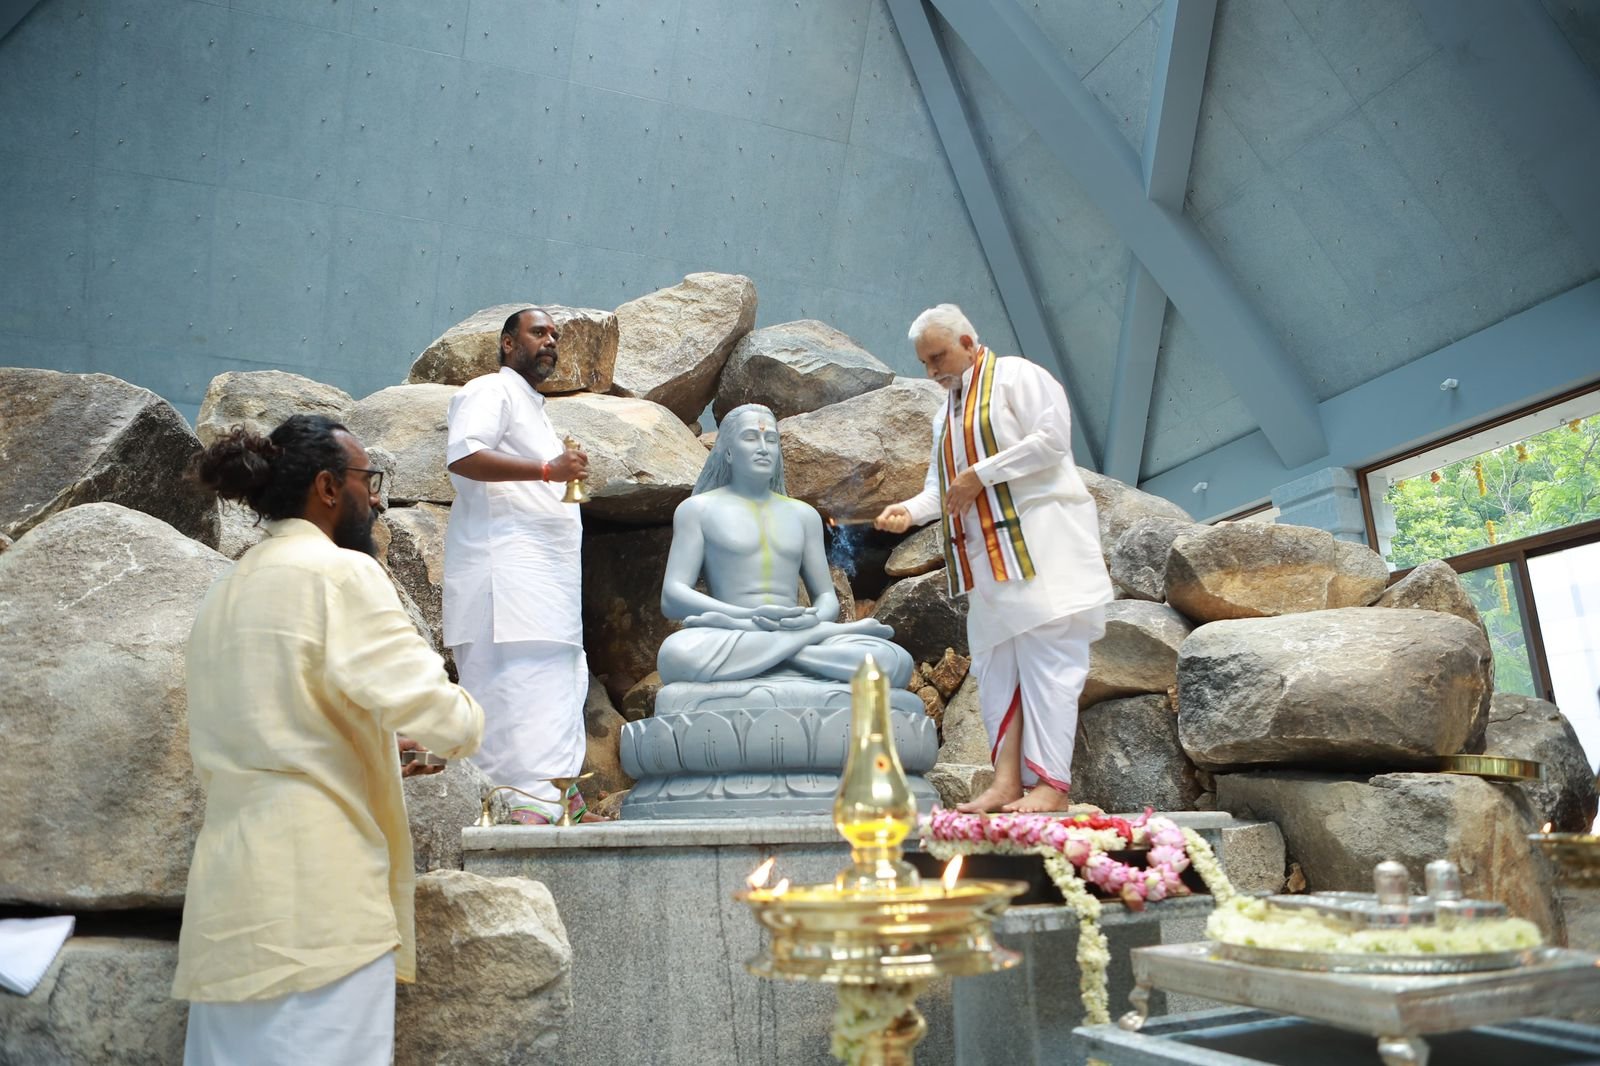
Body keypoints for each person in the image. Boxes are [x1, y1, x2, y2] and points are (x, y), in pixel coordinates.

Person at [174, 414, 484, 1065]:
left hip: (227, 910)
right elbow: (442, 717)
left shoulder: (224, 593)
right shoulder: (341, 575)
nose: (376, 497)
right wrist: (468, 720)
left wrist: (370, 743)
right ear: (325, 486)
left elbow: (277, 729)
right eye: (366, 480)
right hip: (320, 908)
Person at [875, 304, 1112, 813]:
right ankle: (1006, 781)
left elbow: (1051, 442)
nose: (932, 371)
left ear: (966, 342)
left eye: (937, 357)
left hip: (1042, 545)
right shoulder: (947, 413)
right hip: (989, 564)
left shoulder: (1017, 376)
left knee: (1050, 664)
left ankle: (1051, 786)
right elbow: (942, 491)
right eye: (924, 363)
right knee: (997, 667)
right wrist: (907, 512)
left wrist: (980, 474)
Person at [443, 307, 594, 824]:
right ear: (509, 344)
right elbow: (465, 456)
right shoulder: (490, 390)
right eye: (538, 332)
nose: (550, 340)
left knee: (555, 690)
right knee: (512, 701)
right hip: (503, 587)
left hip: (545, 594)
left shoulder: (536, 410)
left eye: (555, 334)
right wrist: (548, 469)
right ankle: (517, 812)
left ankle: (557, 806)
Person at [656, 403, 914, 687]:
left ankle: (784, 652)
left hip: (783, 631)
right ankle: (799, 651)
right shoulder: (697, 510)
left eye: (771, 440)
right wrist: (748, 617)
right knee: (677, 654)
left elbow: (826, 598)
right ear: (727, 452)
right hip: (734, 629)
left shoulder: (802, 515)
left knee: (894, 661)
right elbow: (672, 596)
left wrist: (812, 619)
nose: (763, 448)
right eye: (751, 437)